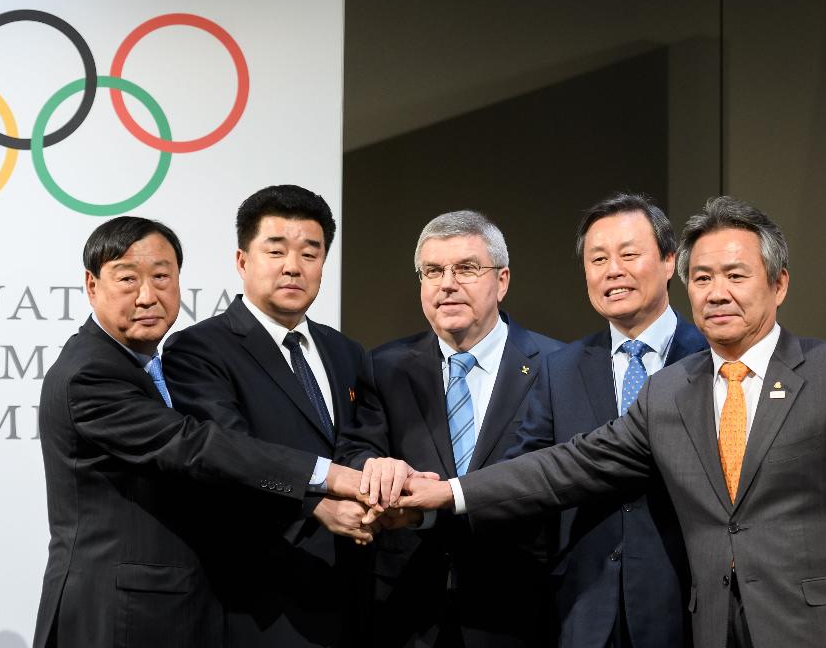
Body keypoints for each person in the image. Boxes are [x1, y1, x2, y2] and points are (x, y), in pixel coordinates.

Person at [394, 197, 826, 648]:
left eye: (735, 275)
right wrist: (448, 492)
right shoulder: (672, 391)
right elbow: (567, 465)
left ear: (779, 283)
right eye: (704, 278)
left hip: (817, 629)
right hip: (710, 627)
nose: (717, 292)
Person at [33, 216, 368, 648]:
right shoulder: (91, 374)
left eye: (161, 277)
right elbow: (193, 447)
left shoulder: (145, 364)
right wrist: (328, 478)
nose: (147, 296)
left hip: (174, 608)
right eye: (127, 279)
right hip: (119, 615)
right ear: (92, 285)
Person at [338, 210, 564, 647]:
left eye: (466, 269)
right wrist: (379, 468)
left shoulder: (555, 365)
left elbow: (559, 478)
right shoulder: (383, 365)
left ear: (502, 281)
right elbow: (354, 451)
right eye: (433, 271)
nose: (447, 284)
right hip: (407, 606)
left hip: (518, 605)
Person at [161, 185, 374, 647]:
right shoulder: (199, 348)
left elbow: (360, 440)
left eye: (310, 253)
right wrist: (314, 504)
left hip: (352, 589)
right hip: (258, 596)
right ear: (242, 261)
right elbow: (227, 456)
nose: (293, 266)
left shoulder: (347, 351)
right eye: (275, 250)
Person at [507, 193, 704, 648]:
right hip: (583, 608)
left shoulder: (710, 357)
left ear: (670, 261)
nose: (612, 270)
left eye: (629, 254)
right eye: (598, 259)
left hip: (688, 605)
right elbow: (530, 474)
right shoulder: (560, 368)